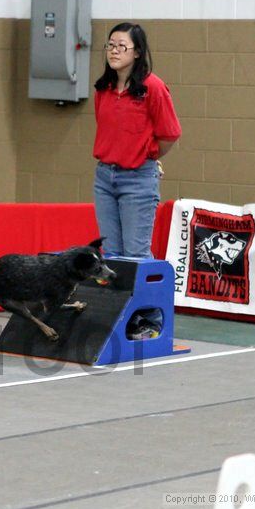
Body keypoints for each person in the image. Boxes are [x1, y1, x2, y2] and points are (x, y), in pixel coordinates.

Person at [92, 22, 181, 340]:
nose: (114, 51)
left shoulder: (153, 88)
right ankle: (117, 320)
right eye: (111, 45)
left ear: (138, 52)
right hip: (105, 177)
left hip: (137, 180)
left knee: (136, 254)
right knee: (112, 254)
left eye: (122, 46)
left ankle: (149, 321)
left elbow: (170, 134)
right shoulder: (103, 89)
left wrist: (149, 155)